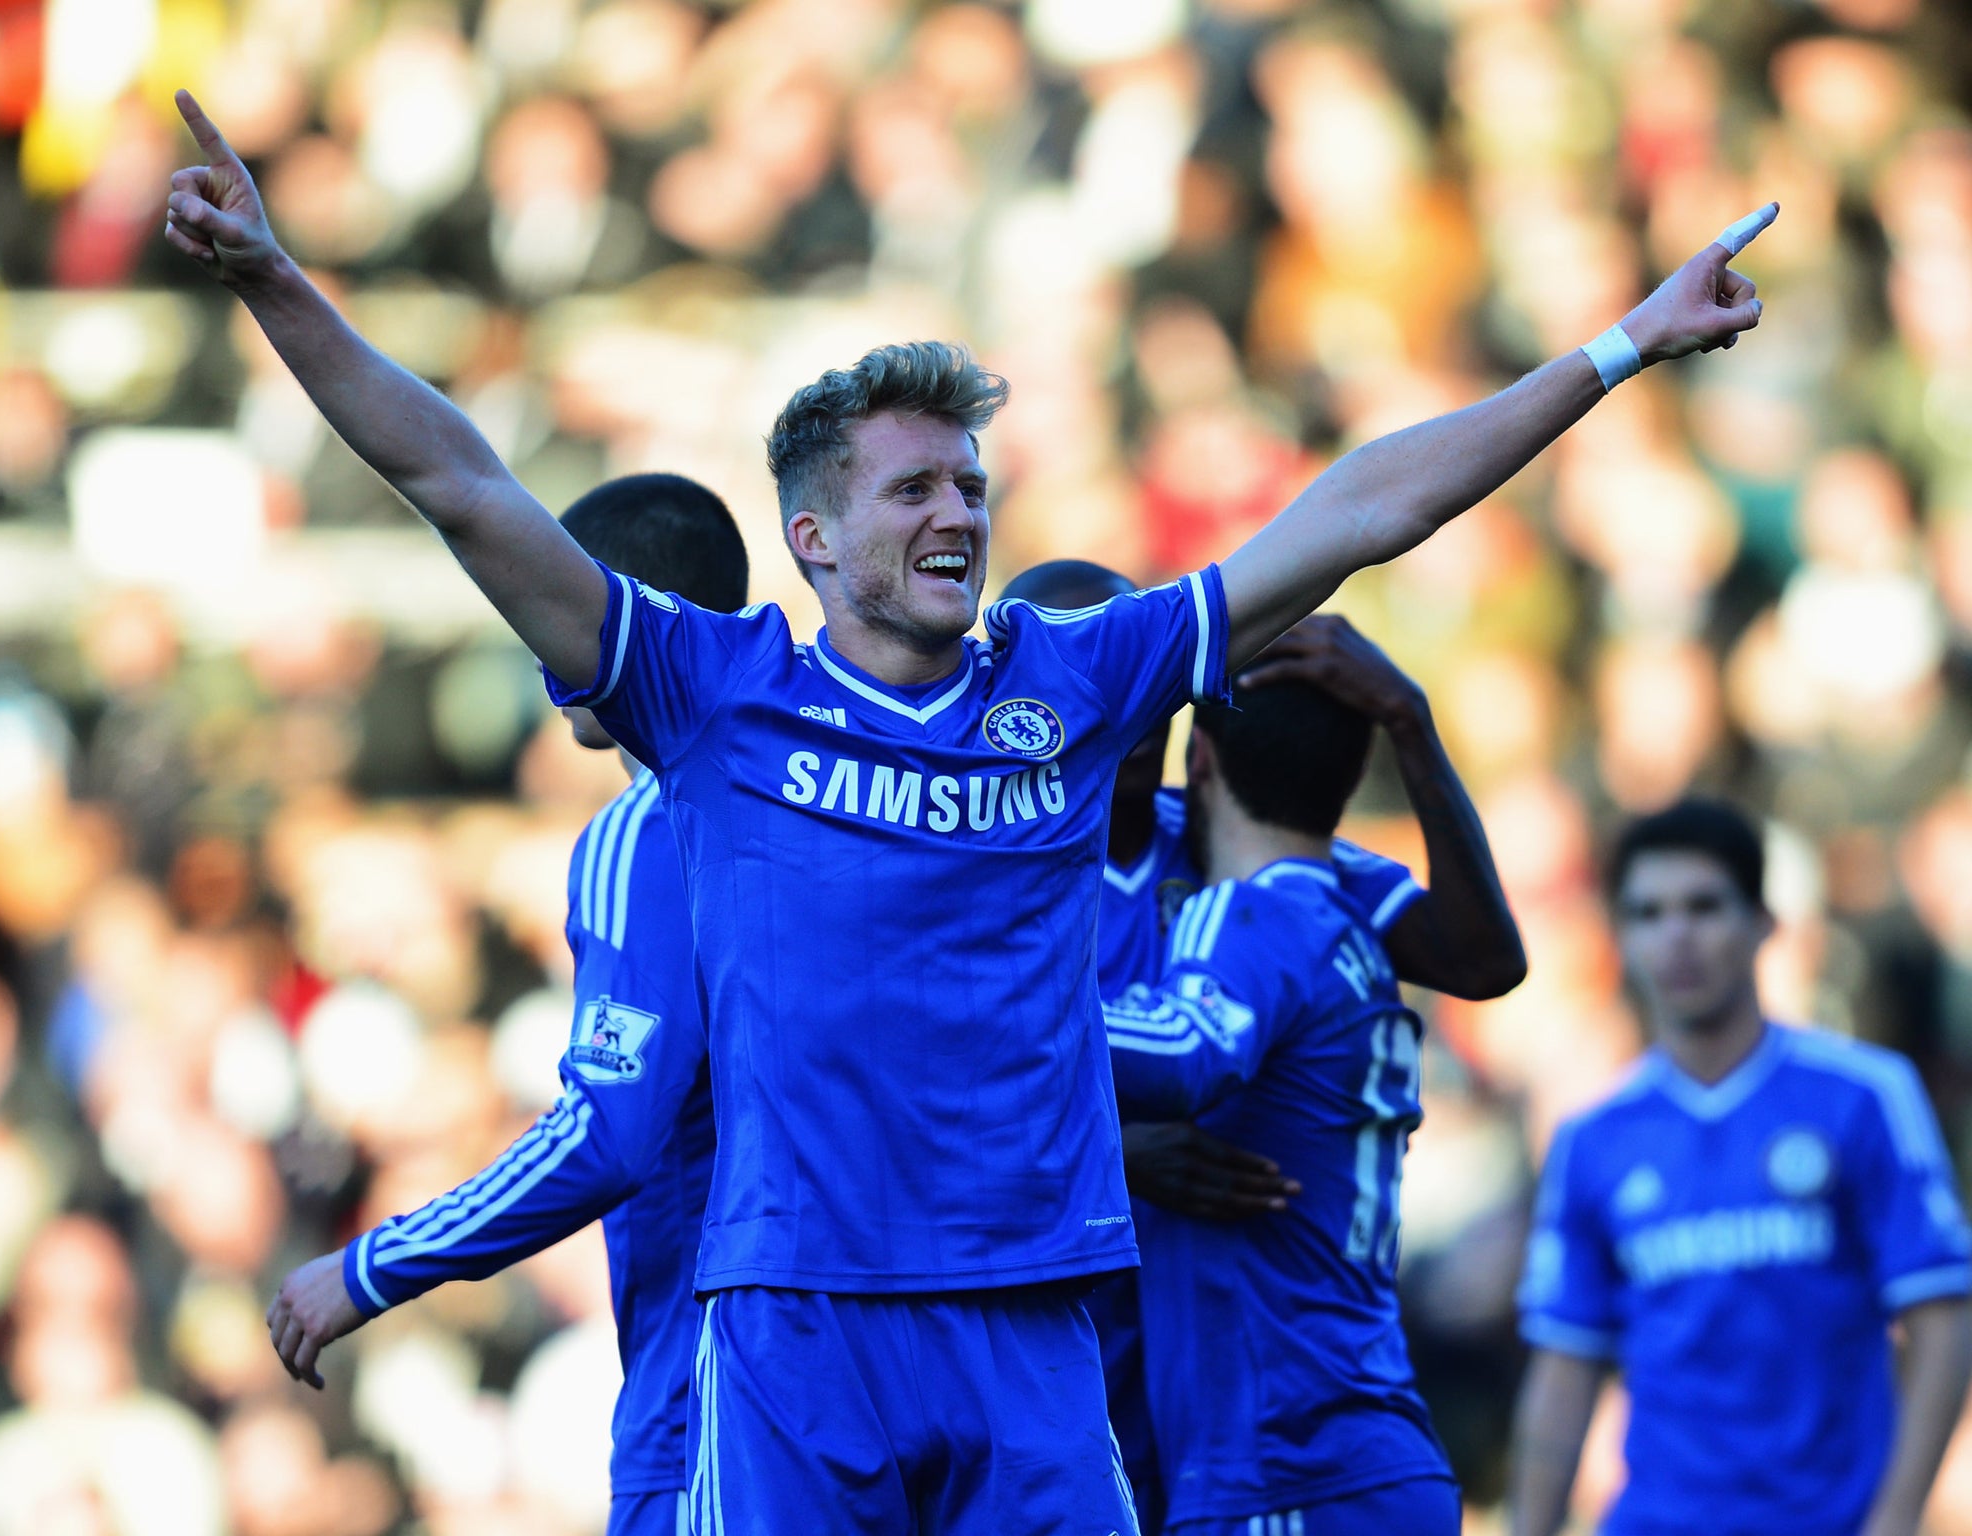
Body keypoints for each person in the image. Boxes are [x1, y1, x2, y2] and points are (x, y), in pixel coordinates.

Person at [164, 85, 1772, 1533]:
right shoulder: (714, 697)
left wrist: (1619, 349)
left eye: (972, 484)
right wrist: (274, 281)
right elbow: (458, 480)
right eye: (914, 489)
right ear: (809, 537)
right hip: (793, 1330)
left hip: (1031, 1328)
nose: (960, 512)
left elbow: (1360, 508)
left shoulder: (1073, 683)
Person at [266, 474, 748, 1536]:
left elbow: (607, 1135)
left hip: (726, 1389)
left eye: (537, 604)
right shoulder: (837, 791)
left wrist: (370, 1267)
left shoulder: (653, 824)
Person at [1000, 566, 1524, 1534]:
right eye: (1060, 681)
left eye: (1118, 674)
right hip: (1072, 1423)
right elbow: (897, 1109)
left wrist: (1406, 721)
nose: (1096, 712)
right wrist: (1111, 1153)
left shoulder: (1243, 860)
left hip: (1250, 1436)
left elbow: (1481, 956)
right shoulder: (962, 889)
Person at [1508, 799, 1972, 1536]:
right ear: (1620, 939)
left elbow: (1943, 1318)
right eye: (1649, 914)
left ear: (1763, 924)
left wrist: (1897, 1517)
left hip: (1832, 1520)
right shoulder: (1592, 1139)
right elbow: (1566, 1366)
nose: (1678, 937)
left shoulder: (1864, 1098)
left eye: (1703, 907)